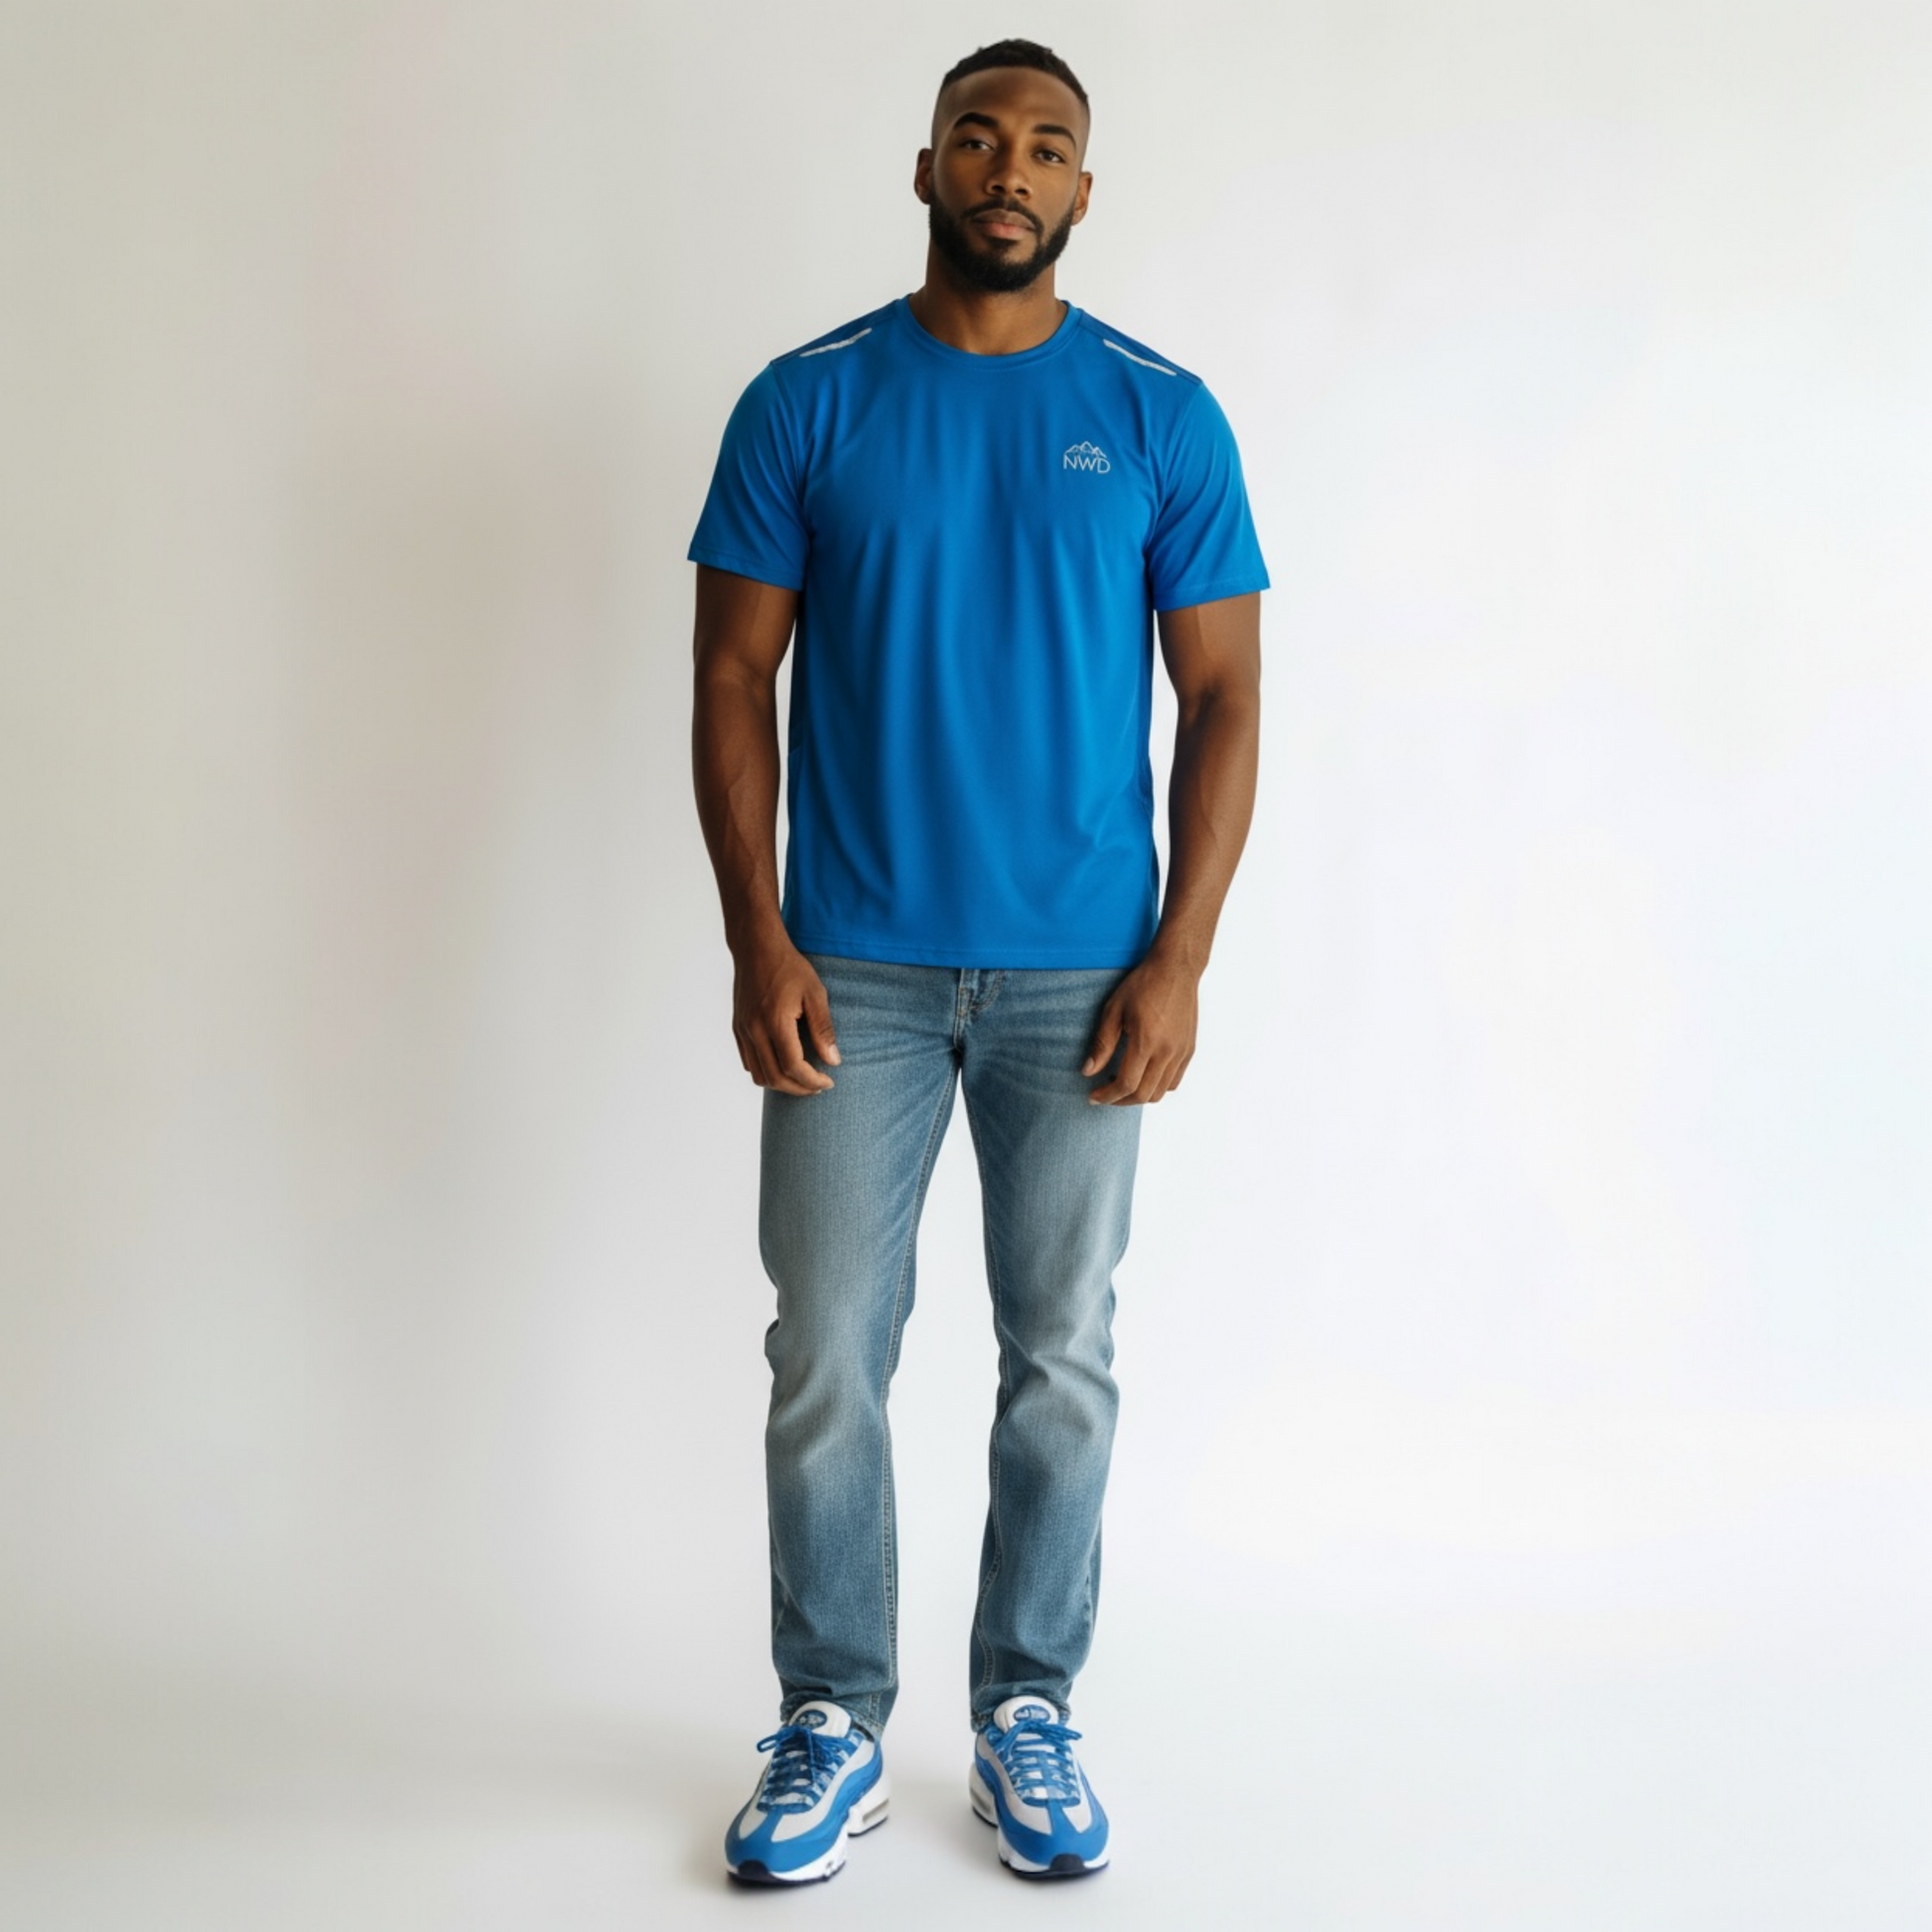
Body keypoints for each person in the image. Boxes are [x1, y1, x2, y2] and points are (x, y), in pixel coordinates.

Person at [689, 37, 1267, 1886]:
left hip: (1079, 977)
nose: (1008, 167)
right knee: (825, 1353)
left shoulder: (1160, 413)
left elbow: (1225, 694)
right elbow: (732, 675)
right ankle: (833, 1716)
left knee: (1060, 1355)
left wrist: (1178, 957)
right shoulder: (808, 399)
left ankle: (1027, 1706)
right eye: (977, 136)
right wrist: (757, 929)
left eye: (1046, 146)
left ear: (1082, 189)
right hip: (846, 967)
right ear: (926, 165)